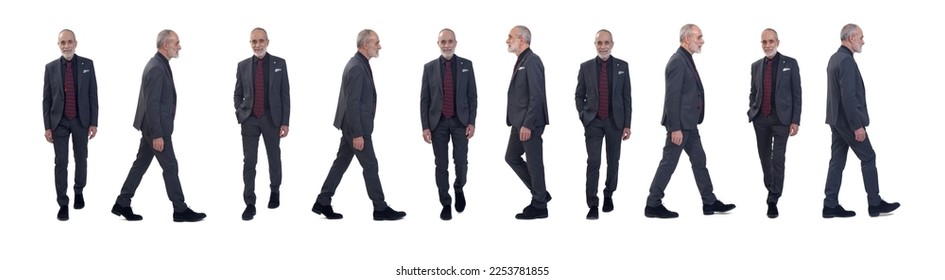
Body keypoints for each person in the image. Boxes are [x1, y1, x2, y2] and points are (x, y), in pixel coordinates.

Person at [112, 29, 206, 222]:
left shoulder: (160, 64)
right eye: (177, 43)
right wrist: (157, 135)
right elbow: (151, 104)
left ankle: (122, 202)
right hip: (156, 128)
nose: (179, 47)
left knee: (140, 164)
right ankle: (180, 209)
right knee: (170, 166)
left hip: (152, 126)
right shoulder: (156, 67)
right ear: (166, 45)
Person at [312, 29, 407, 221]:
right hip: (356, 128)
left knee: (341, 163)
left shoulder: (360, 63)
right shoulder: (356, 66)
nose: (379, 46)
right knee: (371, 165)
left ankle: (322, 201)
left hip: (352, 126)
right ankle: (380, 208)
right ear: (366, 44)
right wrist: (357, 134)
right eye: (376, 43)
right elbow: (352, 103)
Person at [644, 24, 735, 218]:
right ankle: (652, 204)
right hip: (680, 126)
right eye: (699, 37)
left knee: (699, 161)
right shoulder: (677, 61)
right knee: (669, 163)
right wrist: (675, 128)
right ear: (687, 39)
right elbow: (672, 97)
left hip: (690, 125)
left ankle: (709, 202)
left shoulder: (686, 59)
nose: (702, 41)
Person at [822, 23, 900, 218]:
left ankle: (829, 205)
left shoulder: (834, 58)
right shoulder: (846, 61)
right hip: (848, 122)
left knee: (837, 161)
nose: (863, 41)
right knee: (868, 157)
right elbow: (848, 96)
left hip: (835, 120)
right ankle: (875, 203)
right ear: (851, 38)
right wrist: (857, 125)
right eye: (861, 37)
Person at [419, 28, 478, 220]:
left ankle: (459, 187)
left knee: (461, 162)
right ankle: (445, 202)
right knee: (441, 165)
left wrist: (471, 122)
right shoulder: (429, 68)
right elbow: (424, 99)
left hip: (461, 122)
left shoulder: (466, 65)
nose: (447, 45)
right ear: (438, 44)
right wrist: (425, 126)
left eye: (450, 41)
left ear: (456, 43)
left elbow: (472, 96)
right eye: (443, 42)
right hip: (438, 124)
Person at [233, 27, 291, 221]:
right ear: (250, 43)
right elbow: (237, 93)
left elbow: (285, 95)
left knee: (274, 158)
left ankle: (275, 190)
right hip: (249, 119)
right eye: (253, 41)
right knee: (249, 162)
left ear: (267, 41)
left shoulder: (279, 64)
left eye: (260, 41)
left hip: (271, 119)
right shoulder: (242, 66)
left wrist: (285, 122)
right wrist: (240, 112)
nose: (257, 45)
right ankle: (250, 202)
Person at [574, 29, 632, 220]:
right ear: (595, 45)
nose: (603, 46)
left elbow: (626, 98)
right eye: (599, 43)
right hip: (594, 122)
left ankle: (609, 194)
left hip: (615, 123)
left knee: (613, 161)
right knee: (594, 162)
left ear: (612, 44)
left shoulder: (623, 66)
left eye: (606, 43)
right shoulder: (586, 67)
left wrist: (627, 124)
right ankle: (592, 203)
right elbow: (578, 95)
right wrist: (584, 116)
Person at [42, 29, 98, 221]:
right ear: (58, 45)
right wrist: (47, 126)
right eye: (62, 43)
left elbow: (93, 95)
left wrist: (94, 122)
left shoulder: (87, 65)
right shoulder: (50, 68)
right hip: (59, 121)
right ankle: (63, 203)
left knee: (81, 158)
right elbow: (46, 99)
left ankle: (79, 190)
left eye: (69, 42)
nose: (66, 46)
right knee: (61, 162)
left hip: (81, 120)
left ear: (76, 43)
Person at [747, 28, 802, 219]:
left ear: (778, 42)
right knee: (764, 158)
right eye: (764, 42)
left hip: (782, 120)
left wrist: (795, 120)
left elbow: (797, 94)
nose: (767, 45)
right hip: (761, 119)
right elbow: (753, 92)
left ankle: (773, 198)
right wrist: (751, 110)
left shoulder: (791, 63)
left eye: (771, 41)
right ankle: (770, 186)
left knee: (777, 158)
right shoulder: (755, 66)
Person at [505, 25, 551, 220]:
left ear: (521, 39)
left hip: (529, 123)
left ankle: (540, 206)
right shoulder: (521, 60)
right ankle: (540, 191)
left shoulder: (532, 61)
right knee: (511, 157)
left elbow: (537, 95)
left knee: (534, 163)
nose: (507, 40)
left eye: (510, 37)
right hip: (519, 122)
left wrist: (528, 125)